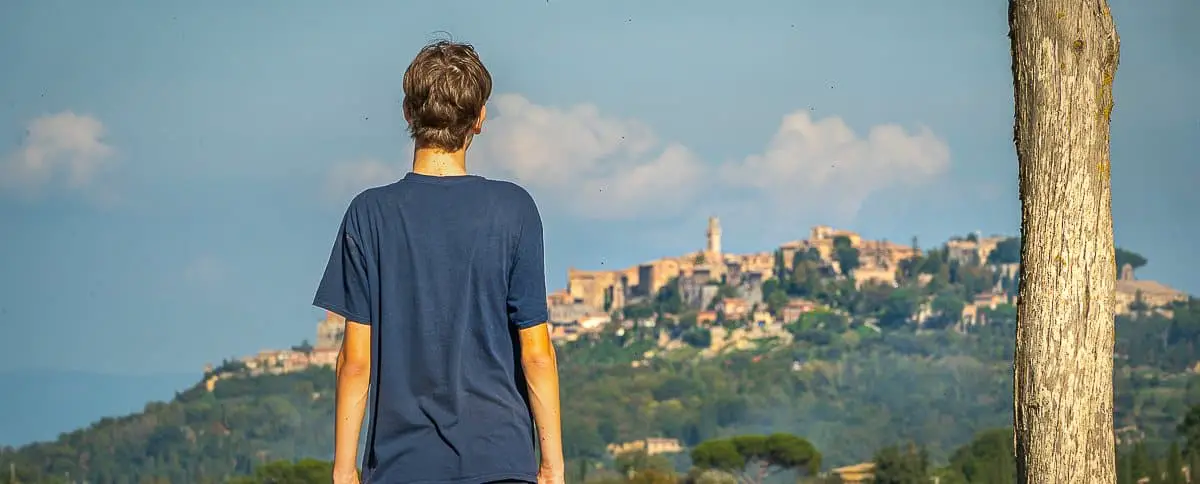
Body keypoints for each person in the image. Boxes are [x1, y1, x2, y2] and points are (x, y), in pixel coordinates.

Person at [314, 40, 564, 484]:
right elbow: (537, 355)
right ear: (480, 119)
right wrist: (552, 466)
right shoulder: (515, 209)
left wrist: (343, 469)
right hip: (501, 460)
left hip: (402, 465)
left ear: (408, 114)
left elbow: (355, 361)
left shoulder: (369, 214)